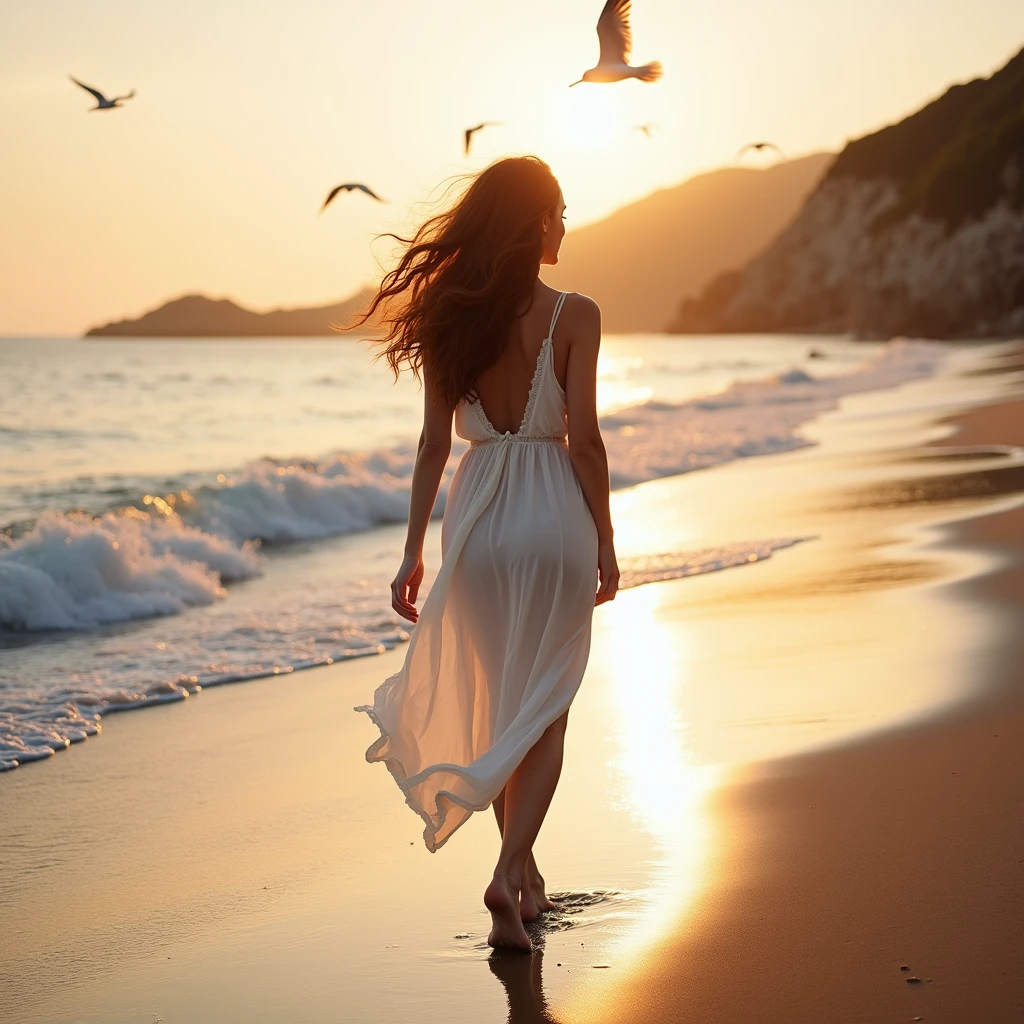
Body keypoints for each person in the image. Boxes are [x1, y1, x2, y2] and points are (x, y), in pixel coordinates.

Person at [355, 155, 618, 951]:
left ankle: (526, 876)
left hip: (476, 525)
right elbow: (586, 443)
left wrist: (411, 554)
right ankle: (508, 873)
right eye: (560, 211)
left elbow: (434, 445)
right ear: (536, 221)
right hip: (551, 521)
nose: (566, 225)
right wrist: (605, 538)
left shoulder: (449, 316)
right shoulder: (576, 314)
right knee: (548, 710)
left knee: (509, 703)